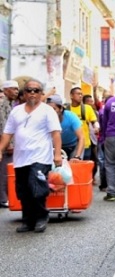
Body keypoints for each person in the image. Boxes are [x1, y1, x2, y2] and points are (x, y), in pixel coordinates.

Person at [0, 79, 62, 232]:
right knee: (23, 190)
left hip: (41, 157)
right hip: (20, 159)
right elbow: (7, 133)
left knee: (36, 187)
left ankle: (41, 217)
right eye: (29, 90)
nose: (32, 93)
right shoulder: (16, 111)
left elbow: (55, 133)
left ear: (41, 93)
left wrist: (57, 154)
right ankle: (28, 220)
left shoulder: (47, 111)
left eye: (36, 90)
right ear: (24, 94)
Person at [46, 95, 84, 160]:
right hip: (56, 147)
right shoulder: (45, 119)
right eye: (48, 109)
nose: (51, 112)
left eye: (54, 109)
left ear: (61, 108)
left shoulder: (71, 117)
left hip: (73, 146)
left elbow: (81, 138)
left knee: (74, 165)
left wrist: (77, 156)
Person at [0, 80, 20, 208]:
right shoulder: (3, 104)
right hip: (4, 144)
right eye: (13, 89)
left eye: (17, 89)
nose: (16, 92)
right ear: (6, 90)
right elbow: (2, 126)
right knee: (3, 172)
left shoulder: (11, 103)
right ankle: (2, 198)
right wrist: (8, 144)